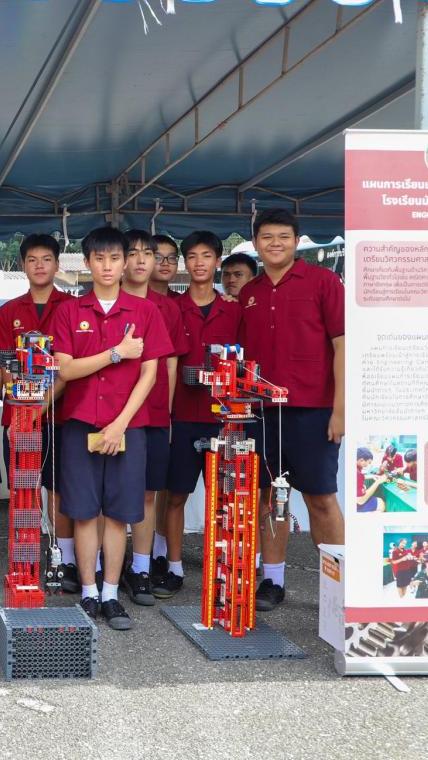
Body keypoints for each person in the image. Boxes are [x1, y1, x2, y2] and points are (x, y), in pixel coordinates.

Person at [50, 226, 172, 630]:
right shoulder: (70, 311)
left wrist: (120, 424)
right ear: (87, 263)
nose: (107, 266)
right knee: (85, 513)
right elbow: (66, 369)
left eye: (114, 258)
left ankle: (111, 594)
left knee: (118, 515)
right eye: (99, 258)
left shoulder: (145, 312)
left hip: (129, 428)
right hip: (80, 423)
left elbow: (150, 374)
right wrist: (117, 353)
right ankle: (88, 592)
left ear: (125, 263)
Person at [237, 208, 345, 611]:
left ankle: (342, 585)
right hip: (262, 412)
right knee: (268, 496)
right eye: (267, 237)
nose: (275, 243)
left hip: (313, 410)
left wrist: (340, 410)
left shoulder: (324, 281)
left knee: (321, 498)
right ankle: (273, 581)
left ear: (297, 241)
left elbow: (342, 345)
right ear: (256, 243)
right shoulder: (250, 292)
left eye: (283, 236)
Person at [155, 231, 241, 598]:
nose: (199, 263)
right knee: (175, 495)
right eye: (192, 256)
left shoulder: (234, 309)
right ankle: (173, 567)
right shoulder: (171, 308)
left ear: (218, 261)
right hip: (183, 416)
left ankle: (223, 569)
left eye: (207, 255)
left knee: (224, 499)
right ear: (184, 263)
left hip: (226, 418)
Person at [0, 234, 76, 590]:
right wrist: (23, 407)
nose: (39, 266)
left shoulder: (72, 307)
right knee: (22, 490)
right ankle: (23, 560)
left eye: (46, 259)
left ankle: (64, 560)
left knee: (58, 489)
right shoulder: (9, 310)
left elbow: (69, 368)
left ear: (57, 264)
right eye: (32, 260)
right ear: (23, 265)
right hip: (19, 416)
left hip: (61, 414)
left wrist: (41, 405)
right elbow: (3, 365)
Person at [114, 229, 187, 606]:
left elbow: (170, 367)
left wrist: (168, 414)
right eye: (134, 253)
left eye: (150, 253)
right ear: (120, 259)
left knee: (146, 494)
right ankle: (103, 566)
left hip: (154, 415)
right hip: (110, 416)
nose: (142, 260)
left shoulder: (167, 308)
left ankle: (140, 569)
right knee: (108, 493)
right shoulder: (109, 302)